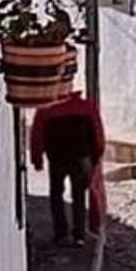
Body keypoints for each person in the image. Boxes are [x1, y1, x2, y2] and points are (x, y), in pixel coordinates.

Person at [30, 88, 105, 248]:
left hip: (57, 158)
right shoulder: (86, 107)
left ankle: (60, 232)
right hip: (80, 158)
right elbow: (97, 133)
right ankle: (79, 235)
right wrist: (96, 156)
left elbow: (37, 133)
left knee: (56, 194)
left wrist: (37, 159)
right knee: (78, 195)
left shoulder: (46, 108)